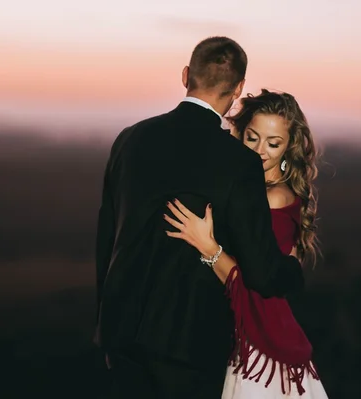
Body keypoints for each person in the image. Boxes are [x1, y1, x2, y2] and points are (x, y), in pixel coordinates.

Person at [94, 38, 304, 398]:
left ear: (186, 75)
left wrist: (106, 324)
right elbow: (263, 273)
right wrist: (293, 267)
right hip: (190, 350)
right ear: (238, 89)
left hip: (120, 340)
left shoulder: (128, 140)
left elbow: (105, 241)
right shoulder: (240, 163)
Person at [164, 89, 329, 398]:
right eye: (252, 138)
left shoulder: (273, 198)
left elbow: (258, 288)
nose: (260, 151)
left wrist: (208, 247)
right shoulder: (252, 188)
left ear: (289, 147)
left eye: (274, 143)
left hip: (263, 354)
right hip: (242, 341)